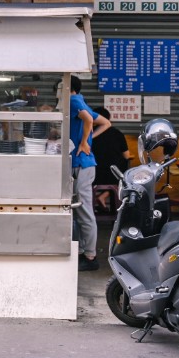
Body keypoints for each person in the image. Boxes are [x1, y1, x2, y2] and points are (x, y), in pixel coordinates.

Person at [67, 76, 111, 272]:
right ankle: (84, 250)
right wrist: (88, 139)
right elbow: (105, 123)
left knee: (84, 210)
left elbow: (87, 119)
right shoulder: (80, 101)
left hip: (82, 164)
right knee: (79, 209)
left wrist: (85, 142)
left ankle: (91, 256)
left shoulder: (73, 100)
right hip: (81, 163)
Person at [91, 107, 130, 211]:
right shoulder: (117, 133)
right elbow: (127, 156)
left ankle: (94, 199)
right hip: (113, 175)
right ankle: (104, 196)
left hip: (94, 175)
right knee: (124, 173)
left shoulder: (89, 134)